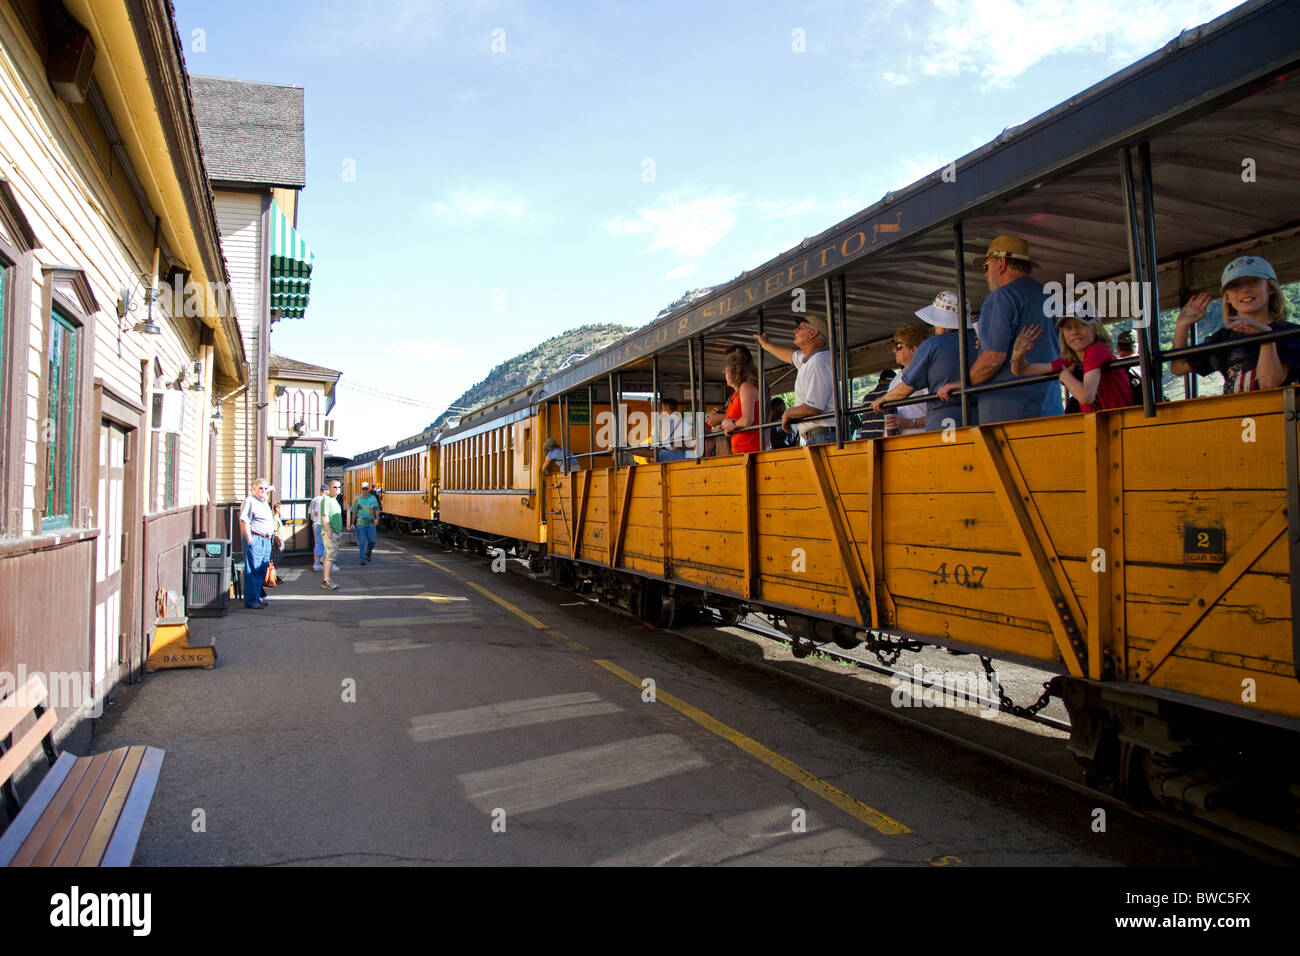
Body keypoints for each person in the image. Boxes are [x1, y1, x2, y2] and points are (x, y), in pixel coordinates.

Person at [937, 235, 1061, 423]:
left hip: (1010, 411)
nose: (985, 274)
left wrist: (961, 384)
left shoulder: (1002, 297)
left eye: (986, 267)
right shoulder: (1049, 296)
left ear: (1001, 264)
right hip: (1052, 405)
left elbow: (993, 359)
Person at [1171, 255, 1300, 393]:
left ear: (1271, 288)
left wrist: (1266, 337)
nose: (1244, 290)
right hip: (1236, 411)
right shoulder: (1224, 337)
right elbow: (1178, 368)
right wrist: (1182, 326)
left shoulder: (1291, 333)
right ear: (1228, 298)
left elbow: (1269, 384)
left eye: (1253, 281)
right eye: (1234, 286)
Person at [873, 293, 979, 431]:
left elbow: (905, 389)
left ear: (942, 322)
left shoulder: (933, 345)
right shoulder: (979, 340)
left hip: (945, 418)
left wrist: (882, 400)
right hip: (981, 414)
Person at [1011, 299, 1137, 413]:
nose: (1074, 332)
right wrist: (1017, 354)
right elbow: (1021, 370)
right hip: (1102, 424)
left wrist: (1065, 376)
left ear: (1095, 328)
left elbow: (1086, 397)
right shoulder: (1072, 361)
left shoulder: (1096, 350)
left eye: (1081, 325)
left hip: (1120, 424)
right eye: (1068, 328)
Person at [754, 314, 835, 445]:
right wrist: (765, 345)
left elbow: (813, 408)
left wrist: (787, 413)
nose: (795, 331)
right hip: (819, 435)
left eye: (801, 328)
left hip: (823, 435)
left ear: (813, 333)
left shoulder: (818, 361)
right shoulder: (808, 360)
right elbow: (790, 356)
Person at [239, 477, 275, 609]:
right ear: (254, 488)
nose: (263, 491)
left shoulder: (264, 501)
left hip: (267, 539)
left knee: (261, 569)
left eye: (265, 489)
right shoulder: (249, 501)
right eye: (260, 488)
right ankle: (251, 600)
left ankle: (257, 596)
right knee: (253, 570)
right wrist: (250, 540)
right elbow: (244, 521)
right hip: (256, 539)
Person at [719, 348, 761, 454]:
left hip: (751, 450)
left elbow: (747, 419)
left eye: (726, 369)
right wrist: (725, 423)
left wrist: (732, 425)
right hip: (741, 450)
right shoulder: (735, 394)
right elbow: (731, 420)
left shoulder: (746, 387)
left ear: (735, 370)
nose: (724, 372)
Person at [855, 370, 895, 440]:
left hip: (865, 437)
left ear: (879, 381)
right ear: (895, 382)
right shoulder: (890, 395)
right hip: (881, 439)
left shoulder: (866, 397)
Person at [319, 480, 342, 591]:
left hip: (335, 532)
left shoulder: (334, 500)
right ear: (329, 488)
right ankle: (326, 580)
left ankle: (327, 579)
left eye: (338, 487)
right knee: (330, 556)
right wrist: (329, 531)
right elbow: (324, 516)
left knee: (330, 556)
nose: (337, 489)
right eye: (334, 487)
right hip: (331, 532)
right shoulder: (326, 500)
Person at [351, 481, 381, 565]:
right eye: (363, 489)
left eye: (366, 489)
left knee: (372, 541)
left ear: (368, 489)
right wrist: (352, 523)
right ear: (361, 489)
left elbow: (376, 509)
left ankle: (368, 552)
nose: (365, 490)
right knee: (362, 542)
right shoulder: (358, 499)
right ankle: (362, 559)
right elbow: (354, 512)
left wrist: (377, 518)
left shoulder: (373, 498)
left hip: (371, 524)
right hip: (361, 524)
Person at [657, 397, 695, 462]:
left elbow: (676, 446)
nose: (661, 411)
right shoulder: (683, 422)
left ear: (667, 408)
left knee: (653, 454)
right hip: (684, 453)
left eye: (662, 409)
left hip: (679, 454)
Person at [309, 483, 326, 571]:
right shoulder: (323, 500)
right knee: (322, 543)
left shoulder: (314, 499)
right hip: (321, 523)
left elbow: (311, 512)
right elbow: (317, 512)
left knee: (318, 543)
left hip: (315, 522)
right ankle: (318, 562)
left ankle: (319, 561)